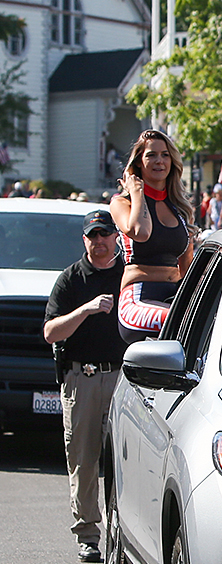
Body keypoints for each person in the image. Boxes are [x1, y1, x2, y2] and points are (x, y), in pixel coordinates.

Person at [42, 210, 127, 563]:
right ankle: (88, 537)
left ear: (116, 237)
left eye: (105, 233)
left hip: (124, 379)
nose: (99, 241)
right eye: (93, 235)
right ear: (85, 240)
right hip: (84, 380)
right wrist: (85, 310)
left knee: (127, 463)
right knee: (84, 462)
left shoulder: (129, 275)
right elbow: (50, 333)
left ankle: (125, 534)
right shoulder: (71, 279)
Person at [110, 130, 195, 343]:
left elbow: (187, 269)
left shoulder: (180, 209)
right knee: (184, 322)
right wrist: (137, 191)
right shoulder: (123, 203)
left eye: (165, 155)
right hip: (137, 298)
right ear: (139, 162)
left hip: (174, 296)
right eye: (151, 155)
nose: (159, 161)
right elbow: (140, 232)